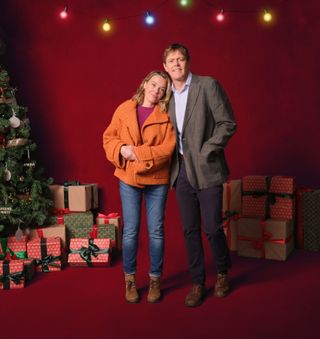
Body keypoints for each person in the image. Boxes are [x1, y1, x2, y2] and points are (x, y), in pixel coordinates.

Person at [162, 43, 237, 307]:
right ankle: (197, 282)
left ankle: (223, 273)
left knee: (212, 227)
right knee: (189, 229)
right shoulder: (165, 95)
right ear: (165, 67)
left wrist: (208, 149)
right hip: (180, 170)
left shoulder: (208, 85)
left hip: (207, 167)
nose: (176, 64)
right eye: (171, 61)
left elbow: (227, 122)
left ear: (188, 62)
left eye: (180, 59)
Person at [103, 70, 176, 303]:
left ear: (165, 94)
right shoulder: (124, 108)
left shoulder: (166, 114)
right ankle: (130, 280)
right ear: (145, 83)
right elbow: (109, 137)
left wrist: (137, 153)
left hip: (157, 180)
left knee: (156, 231)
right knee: (131, 232)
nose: (156, 90)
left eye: (162, 89)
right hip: (128, 179)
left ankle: (155, 279)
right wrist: (121, 150)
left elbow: (168, 148)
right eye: (153, 84)